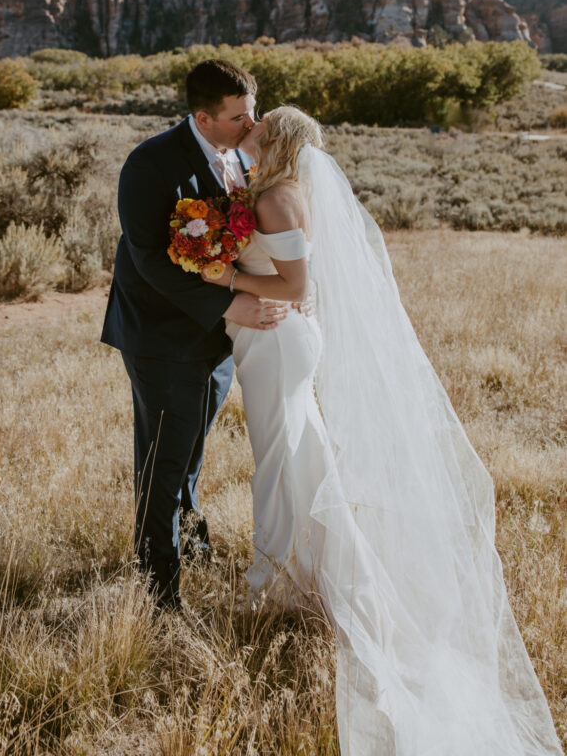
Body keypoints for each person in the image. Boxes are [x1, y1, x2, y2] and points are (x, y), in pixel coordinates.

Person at [202, 105, 562, 756]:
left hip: (278, 342)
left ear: (277, 139)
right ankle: (294, 566)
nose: (248, 129)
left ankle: (288, 572)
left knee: (282, 455)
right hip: (269, 341)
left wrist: (219, 274)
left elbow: (298, 284)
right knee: (290, 453)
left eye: (260, 125)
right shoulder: (272, 191)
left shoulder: (280, 197)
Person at [100, 58, 291, 611]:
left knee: (189, 452)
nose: (251, 125)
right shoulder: (150, 164)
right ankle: (161, 592)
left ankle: (191, 543)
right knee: (163, 458)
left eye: (252, 111)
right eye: (238, 117)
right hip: (162, 339)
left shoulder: (239, 157)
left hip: (216, 338)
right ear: (203, 118)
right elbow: (151, 261)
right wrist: (234, 303)